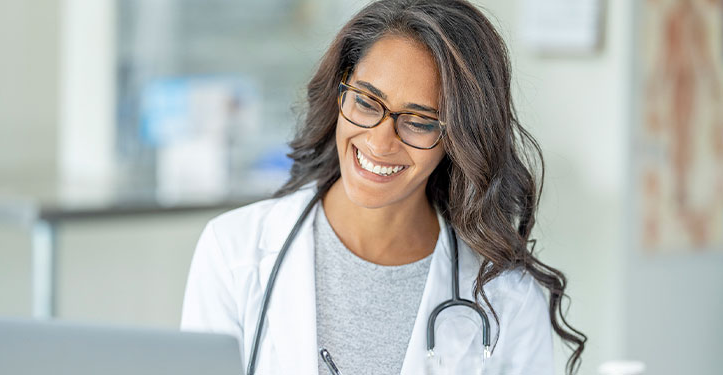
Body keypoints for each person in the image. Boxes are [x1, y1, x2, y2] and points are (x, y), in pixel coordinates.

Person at [179, 0, 587, 374]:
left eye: (420, 121)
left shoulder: (507, 297)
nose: (379, 141)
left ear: (460, 139)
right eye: (366, 102)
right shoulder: (234, 252)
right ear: (341, 90)